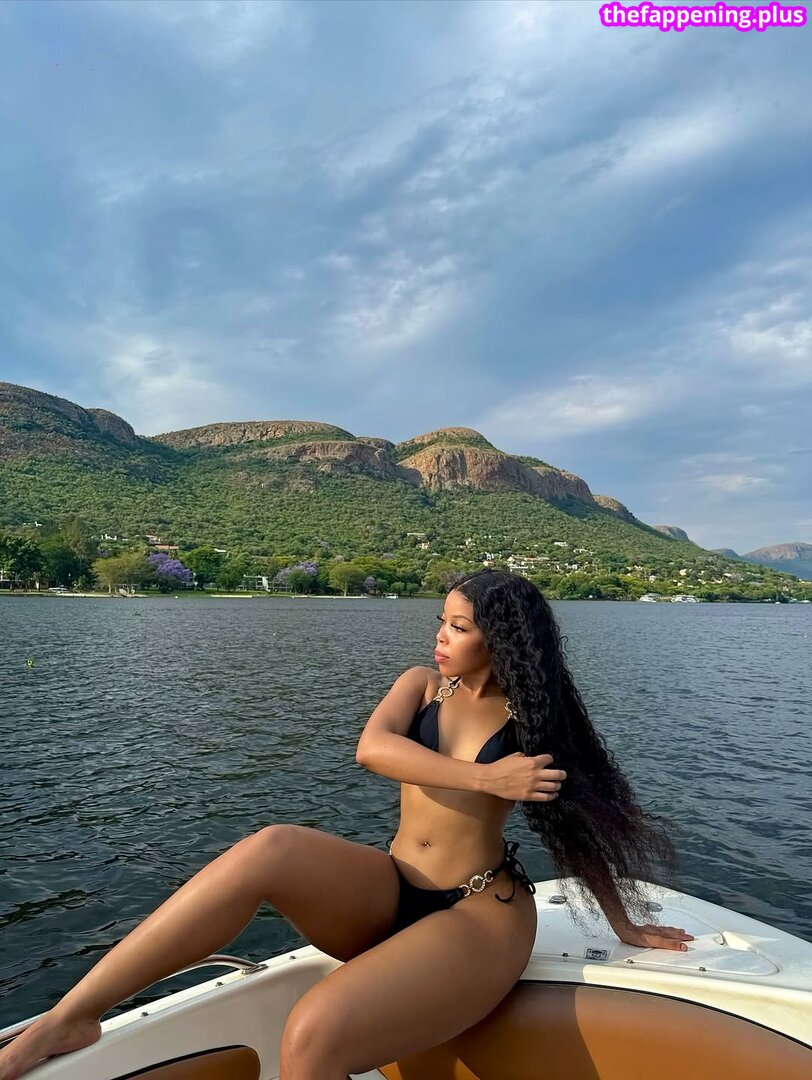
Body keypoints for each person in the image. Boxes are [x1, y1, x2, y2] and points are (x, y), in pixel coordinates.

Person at [0, 569, 693, 1080]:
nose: (440, 635)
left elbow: (582, 827)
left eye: (458, 626)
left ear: (501, 638)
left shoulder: (534, 721)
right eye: (442, 621)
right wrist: (488, 779)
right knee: (270, 847)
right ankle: (69, 1016)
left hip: (479, 913)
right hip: (393, 886)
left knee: (312, 1033)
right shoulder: (422, 685)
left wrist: (624, 923)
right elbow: (372, 749)